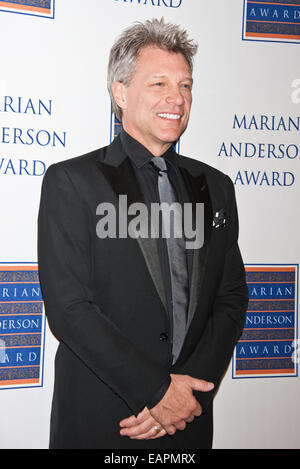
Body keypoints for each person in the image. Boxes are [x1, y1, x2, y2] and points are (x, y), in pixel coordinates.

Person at [38, 18, 248, 449]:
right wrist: (156, 394)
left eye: (185, 85)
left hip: (189, 421)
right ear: (120, 92)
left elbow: (230, 297)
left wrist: (188, 395)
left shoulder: (217, 186)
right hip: (104, 420)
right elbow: (69, 309)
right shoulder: (72, 182)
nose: (177, 98)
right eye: (159, 84)